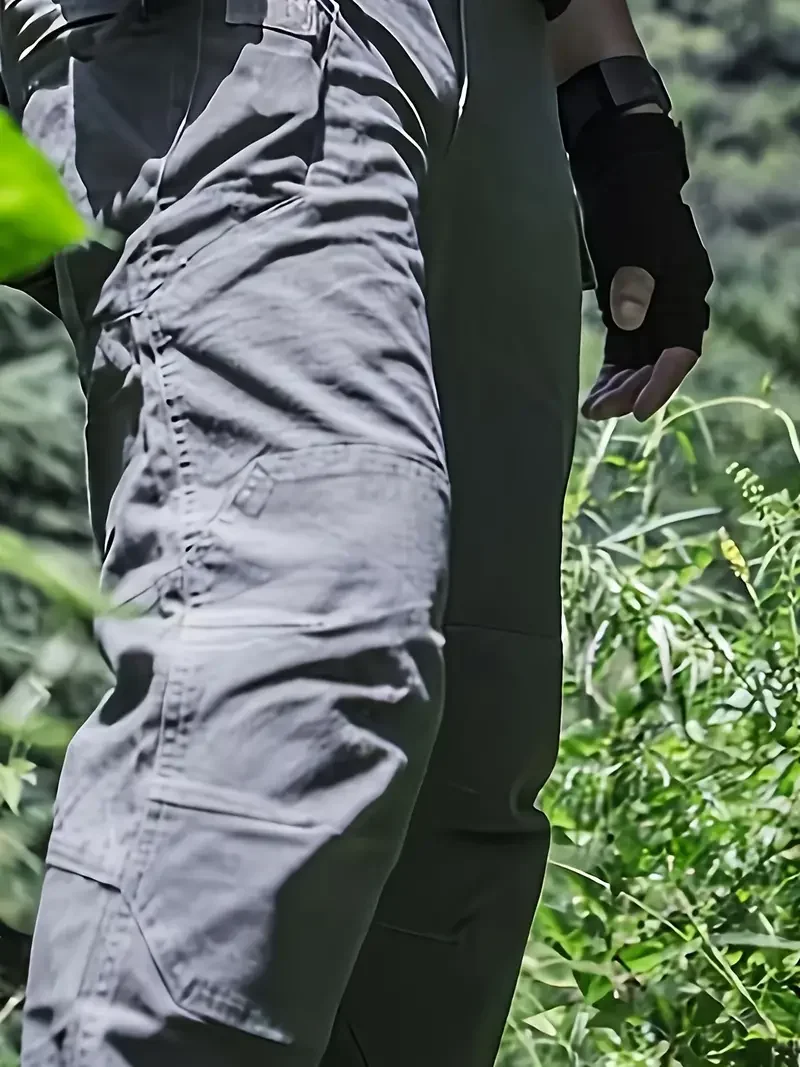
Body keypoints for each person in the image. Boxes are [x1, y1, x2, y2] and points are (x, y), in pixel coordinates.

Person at [0, 0, 713, 1064]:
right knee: (305, 641)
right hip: (232, 40)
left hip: (499, 57)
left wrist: (615, 108)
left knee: (463, 760)